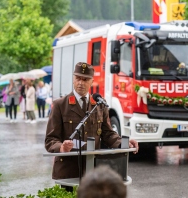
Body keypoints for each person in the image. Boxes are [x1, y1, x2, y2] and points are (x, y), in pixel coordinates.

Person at [45, 62, 138, 190]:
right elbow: (50, 140)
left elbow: (108, 134)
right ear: (73, 79)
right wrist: (61, 147)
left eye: (85, 79)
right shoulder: (60, 105)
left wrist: (124, 142)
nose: (81, 83)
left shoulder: (99, 105)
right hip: (68, 170)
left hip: (93, 171)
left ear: (92, 81)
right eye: (78, 78)